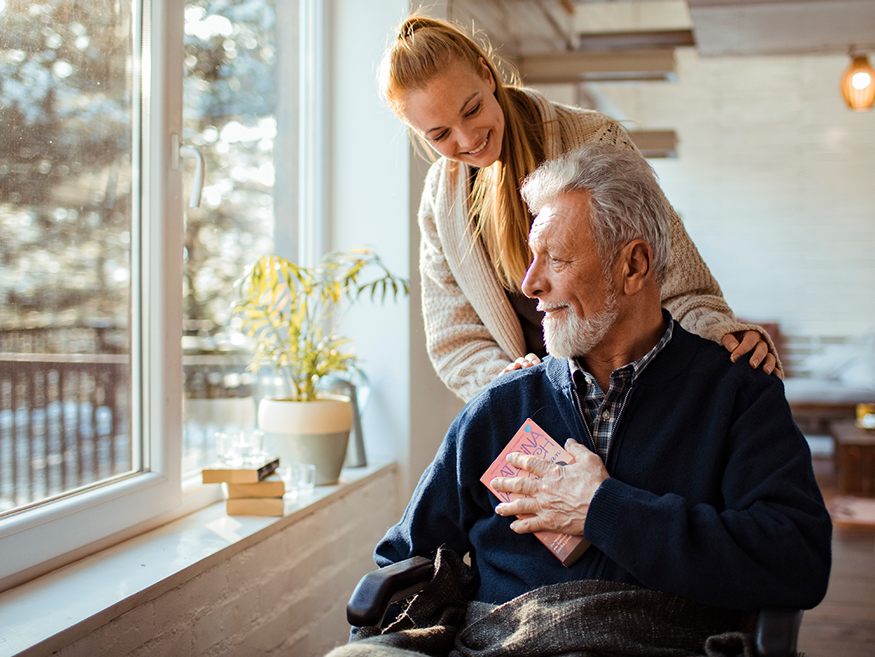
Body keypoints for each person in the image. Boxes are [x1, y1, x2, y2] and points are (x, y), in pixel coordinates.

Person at [343, 145, 830, 654]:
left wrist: (602, 508)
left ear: (634, 265)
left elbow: (797, 561)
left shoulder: (737, 393)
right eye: (533, 258)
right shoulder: (503, 405)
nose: (531, 283)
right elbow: (403, 556)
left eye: (555, 259)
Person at [381, 15, 781, 402]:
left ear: (488, 75)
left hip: (632, 389)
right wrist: (506, 386)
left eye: (471, 110)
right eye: (439, 134)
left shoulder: (595, 139)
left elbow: (673, 272)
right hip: (533, 409)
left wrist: (722, 333)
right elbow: (456, 338)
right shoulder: (440, 200)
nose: (468, 138)